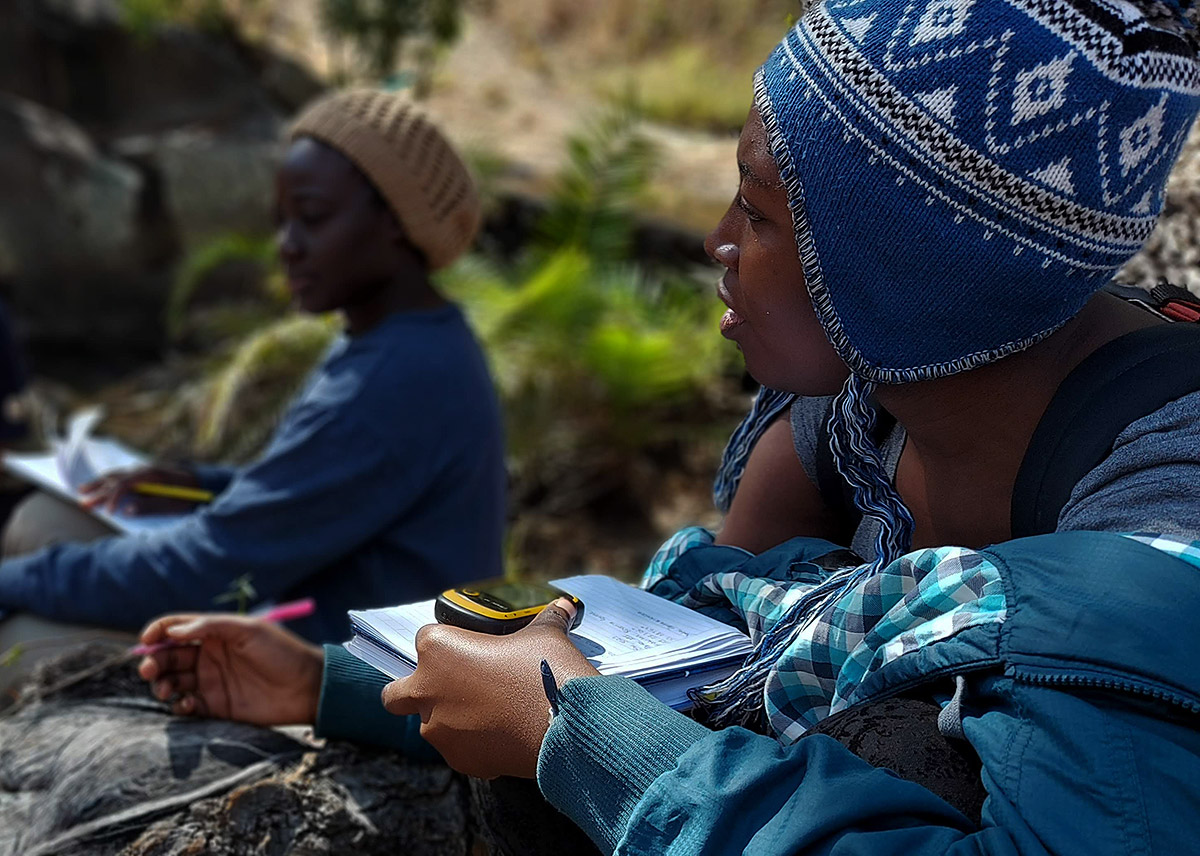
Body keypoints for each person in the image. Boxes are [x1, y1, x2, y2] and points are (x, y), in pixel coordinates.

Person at [139, 1, 1200, 853]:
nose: (714, 242)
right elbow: (683, 656)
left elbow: (621, 714)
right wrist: (333, 685)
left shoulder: (1158, 551)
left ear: (902, 267)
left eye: (760, 208)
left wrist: (574, 735)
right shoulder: (860, 420)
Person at [0, 89, 507, 648]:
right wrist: (205, 489)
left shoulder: (397, 378)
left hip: (350, 662)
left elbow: (205, 569)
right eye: (281, 221)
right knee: (41, 522)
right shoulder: (410, 337)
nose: (287, 246)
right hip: (313, 597)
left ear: (397, 221)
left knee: (21, 640)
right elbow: (327, 490)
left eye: (311, 218)